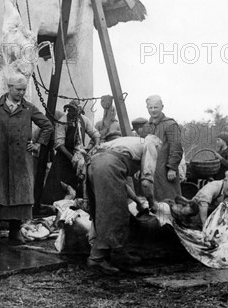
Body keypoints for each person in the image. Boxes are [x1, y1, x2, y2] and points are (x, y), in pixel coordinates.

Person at [0, 74, 53, 245]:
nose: (21, 93)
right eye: (18, 89)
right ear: (9, 87)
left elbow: (47, 126)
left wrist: (37, 145)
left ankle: (15, 231)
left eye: (23, 89)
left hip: (21, 160)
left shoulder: (29, 108)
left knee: (20, 193)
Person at [86, 135, 161, 274]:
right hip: (107, 166)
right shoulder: (151, 146)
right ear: (158, 146)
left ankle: (117, 251)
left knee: (102, 209)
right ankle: (97, 258)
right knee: (115, 213)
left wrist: (138, 201)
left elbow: (120, 183)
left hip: (93, 163)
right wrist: (152, 203)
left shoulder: (129, 142)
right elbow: (146, 182)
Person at [42, 99, 100, 204]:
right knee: (58, 187)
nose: (75, 113)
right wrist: (71, 158)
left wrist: (96, 144)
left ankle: (79, 206)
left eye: (78, 111)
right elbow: (59, 144)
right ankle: (54, 207)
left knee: (80, 182)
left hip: (78, 153)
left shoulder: (84, 120)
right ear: (69, 110)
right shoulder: (63, 121)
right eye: (73, 111)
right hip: (63, 157)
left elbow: (95, 134)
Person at [173, 169, 228, 242]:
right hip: (199, 209)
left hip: (216, 216)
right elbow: (203, 203)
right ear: (225, 180)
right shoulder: (214, 186)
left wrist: (220, 229)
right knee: (185, 212)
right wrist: (205, 227)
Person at [135, 95, 183, 201]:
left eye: (155, 107)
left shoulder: (171, 125)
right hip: (149, 171)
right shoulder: (146, 127)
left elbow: (176, 147)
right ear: (147, 108)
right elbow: (141, 149)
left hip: (165, 170)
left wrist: (172, 168)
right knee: (151, 200)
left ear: (162, 107)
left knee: (170, 200)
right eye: (150, 107)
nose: (153, 110)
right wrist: (138, 168)